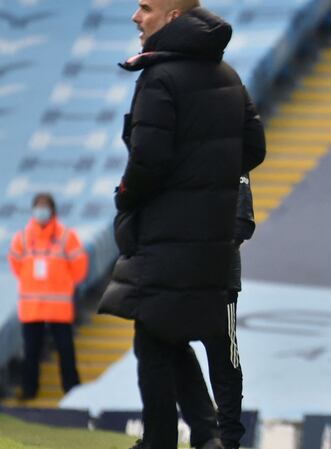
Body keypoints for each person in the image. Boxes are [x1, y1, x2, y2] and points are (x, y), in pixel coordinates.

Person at [97, 0, 266, 448]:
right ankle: (208, 437)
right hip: (211, 242)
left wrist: (125, 200)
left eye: (146, 7)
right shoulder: (227, 77)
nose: (136, 16)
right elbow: (254, 148)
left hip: (167, 236)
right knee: (165, 336)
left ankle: (162, 441)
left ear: (173, 18)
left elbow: (147, 162)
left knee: (152, 341)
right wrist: (207, 177)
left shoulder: (160, 77)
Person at [7, 193, 88, 400]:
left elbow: (79, 267)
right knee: (31, 352)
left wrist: (62, 284)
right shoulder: (23, 238)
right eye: (38, 207)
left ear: (52, 210)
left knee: (65, 350)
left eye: (44, 207)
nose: (41, 211)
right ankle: (29, 390)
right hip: (32, 307)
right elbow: (15, 265)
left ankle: (72, 389)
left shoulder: (66, 237)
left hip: (58, 306)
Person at [201, 173, 256, 449]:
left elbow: (242, 224)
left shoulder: (233, 157)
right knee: (163, 355)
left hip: (219, 281)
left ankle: (229, 439)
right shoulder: (180, 150)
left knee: (224, 360)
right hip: (175, 279)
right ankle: (156, 437)